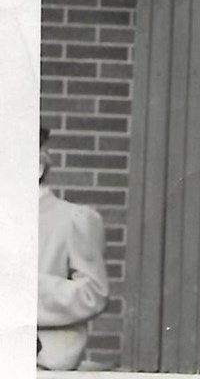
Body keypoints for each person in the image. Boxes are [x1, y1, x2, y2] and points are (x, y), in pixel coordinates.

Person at [37, 126, 110, 370]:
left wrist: (25, 290)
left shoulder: (72, 220)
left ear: (37, 168)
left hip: (43, 363)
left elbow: (93, 293)